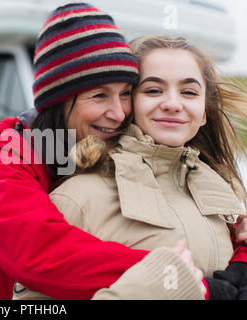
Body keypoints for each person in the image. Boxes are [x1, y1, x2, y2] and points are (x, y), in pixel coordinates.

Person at [0, 3, 213, 300]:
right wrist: (173, 277)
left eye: (125, 94)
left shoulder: (102, 144)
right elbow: (36, 253)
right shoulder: (10, 153)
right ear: (58, 101)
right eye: (99, 96)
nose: (119, 113)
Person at [13, 35, 247, 300]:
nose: (172, 103)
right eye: (153, 90)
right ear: (127, 103)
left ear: (203, 112)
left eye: (189, 92)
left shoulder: (224, 197)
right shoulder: (78, 198)